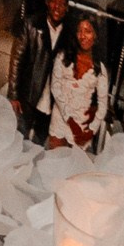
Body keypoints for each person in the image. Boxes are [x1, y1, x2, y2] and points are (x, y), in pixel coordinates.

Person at [9, 0, 66, 147]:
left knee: (39, 146)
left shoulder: (68, 35)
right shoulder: (31, 24)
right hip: (28, 96)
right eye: (54, 1)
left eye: (62, 3)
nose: (57, 6)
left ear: (66, 8)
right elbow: (16, 60)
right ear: (47, 2)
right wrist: (13, 95)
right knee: (18, 140)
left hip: (51, 104)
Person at [44, 13, 108, 153]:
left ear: (95, 36)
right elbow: (55, 89)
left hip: (82, 127)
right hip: (61, 120)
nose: (82, 36)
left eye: (88, 31)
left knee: (73, 172)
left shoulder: (100, 68)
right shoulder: (62, 57)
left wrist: (90, 131)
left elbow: (103, 105)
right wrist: (71, 123)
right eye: (79, 31)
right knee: (53, 166)